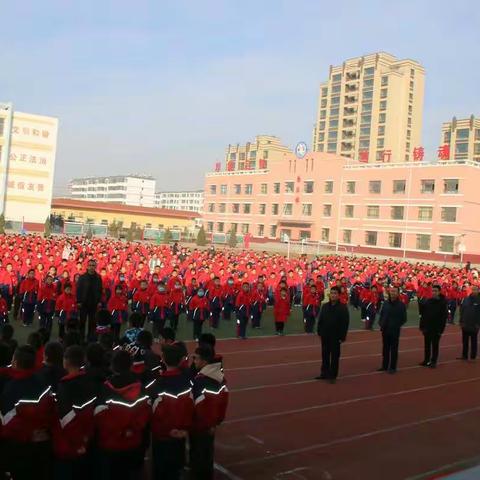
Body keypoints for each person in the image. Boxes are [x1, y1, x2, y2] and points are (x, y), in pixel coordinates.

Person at [94, 349, 151, 480]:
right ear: (131, 366)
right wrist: (131, 430)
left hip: (111, 445)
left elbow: (100, 418)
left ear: (113, 367)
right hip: (134, 443)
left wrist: (118, 432)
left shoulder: (105, 388)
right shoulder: (141, 388)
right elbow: (146, 415)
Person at [0, 345, 55, 480]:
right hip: (42, 445)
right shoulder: (44, 383)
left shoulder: (11, 390)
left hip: (20, 449)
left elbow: (7, 425)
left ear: (16, 362)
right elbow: (51, 411)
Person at [147, 344, 194, 480]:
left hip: (162, 437)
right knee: (176, 469)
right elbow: (190, 407)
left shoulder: (157, 385)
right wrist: (184, 428)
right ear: (181, 360)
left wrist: (167, 430)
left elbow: (154, 413)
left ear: (163, 360)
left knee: (161, 470)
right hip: (180, 434)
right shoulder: (187, 381)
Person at [52, 345, 97, 480]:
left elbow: (67, 418)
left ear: (65, 361)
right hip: (87, 439)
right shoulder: (90, 381)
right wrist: (85, 438)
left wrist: (78, 442)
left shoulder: (65, 386)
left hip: (69, 444)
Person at [190, 345, 229, 480]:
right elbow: (223, 400)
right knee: (207, 454)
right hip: (210, 425)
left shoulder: (202, 381)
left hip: (200, 426)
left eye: (195, 358)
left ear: (204, 361)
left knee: (199, 457)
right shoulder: (220, 376)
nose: (193, 361)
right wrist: (215, 422)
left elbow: (198, 406)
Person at [315, 286, 350, 383]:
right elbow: (320, 320)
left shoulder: (343, 308)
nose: (333, 295)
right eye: (332, 293)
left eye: (335, 293)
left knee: (334, 357)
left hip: (336, 336)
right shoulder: (325, 306)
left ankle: (332, 375)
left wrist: (342, 337)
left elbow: (345, 323)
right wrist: (319, 331)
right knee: (325, 355)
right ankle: (324, 373)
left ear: (338, 295)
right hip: (325, 335)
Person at [378, 286, 407, 374]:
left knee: (394, 349)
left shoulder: (401, 305)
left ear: (398, 293)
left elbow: (404, 319)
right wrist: (381, 323)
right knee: (385, 348)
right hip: (385, 329)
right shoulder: (386, 303)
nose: (392, 293)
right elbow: (382, 314)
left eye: (394, 291)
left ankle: (393, 367)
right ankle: (384, 366)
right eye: (391, 291)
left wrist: (396, 325)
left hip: (394, 330)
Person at [419, 284, 448, 368]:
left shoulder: (442, 303)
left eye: (436, 291)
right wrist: (422, 326)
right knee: (427, 345)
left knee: (435, 345)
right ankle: (426, 360)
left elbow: (443, 317)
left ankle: (433, 361)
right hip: (427, 327)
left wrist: (441, 330)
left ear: (439, 292)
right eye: (433, 291)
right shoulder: (428, 301)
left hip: (436, 328)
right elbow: (423, 314)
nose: (434, 292)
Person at [76, 260, 103, 341]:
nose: (92, 267)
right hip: (83, 303)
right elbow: (79, 290)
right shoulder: (82, 277)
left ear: (95, 267)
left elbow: (100, 290)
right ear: (87, 266)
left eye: (93, 265)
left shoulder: (98, 277)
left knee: (92, 323)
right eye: (90, 265)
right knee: (82, 322)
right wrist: (79, 301)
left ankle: (91, 339)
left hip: (94, 303)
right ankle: (81, 339)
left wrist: (99, 301)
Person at [459, 284, 480, 360]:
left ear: (478, 291)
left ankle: (473, 356)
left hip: (474, 324)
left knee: (474, 341)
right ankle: (464, 355)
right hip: (465, 324)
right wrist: (461, 321)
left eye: (476, 289)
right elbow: (461, 310)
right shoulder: (465, 299)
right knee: (465, 341)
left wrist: (478, 324)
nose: (474, 291)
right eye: (473, 289)